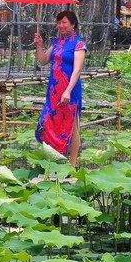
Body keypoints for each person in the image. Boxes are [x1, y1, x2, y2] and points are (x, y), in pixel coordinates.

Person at [34, 10, 87, 167]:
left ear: (73, 24)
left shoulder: (79, 44)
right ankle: (55, 159)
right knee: (48, 121)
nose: (61, 25)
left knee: (72, 125)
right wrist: (39, 45)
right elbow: (43, 60)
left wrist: (68, 91)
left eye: (64, 22)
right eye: (59, 22)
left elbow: (77, 70)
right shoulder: (57, 42)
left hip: (69, 89)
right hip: (54, 89)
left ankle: (72, 164)